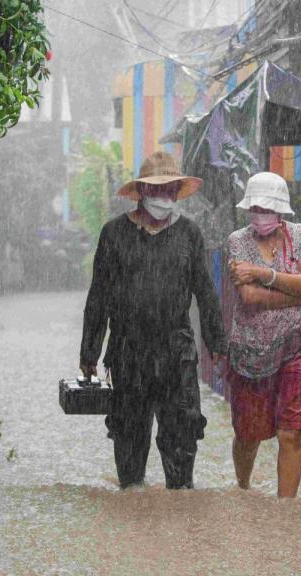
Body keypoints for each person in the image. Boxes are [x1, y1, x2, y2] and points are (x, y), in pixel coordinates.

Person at [80, 151, 227, 490]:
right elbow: (98, 297)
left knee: (181, 441)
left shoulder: (189, 234)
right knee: (130, 445)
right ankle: (135, 524)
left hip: (177, 353)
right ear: (142, 191)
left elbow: (205, 292)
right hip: (128, 353)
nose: (164, 197)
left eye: (170, 190)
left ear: (177, 192)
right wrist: (89, 354)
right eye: (157, 190)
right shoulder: (114, 234)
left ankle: (178, 527)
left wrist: (217, 344)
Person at [226, 171, 301, 498]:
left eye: (266, 209)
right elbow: (250, 299)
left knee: (290, 434)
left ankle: (286, 513)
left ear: (280, 211)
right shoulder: (238, 241)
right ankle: (243, 489)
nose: (260, 215)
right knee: (248, 435)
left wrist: (262, 274)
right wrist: (295, 293)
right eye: (254, 208)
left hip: (298, 347)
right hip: (251, 353)